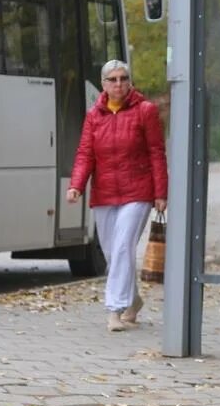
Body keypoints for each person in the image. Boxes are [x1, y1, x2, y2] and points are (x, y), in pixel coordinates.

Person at [67, 60, 168, 332]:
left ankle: (115, 309)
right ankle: (133, 301)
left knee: (123, 247)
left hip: (138, 191)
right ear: (103, 84)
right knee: (113, 254)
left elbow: (156, 153)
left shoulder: (145, 111)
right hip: (105, 192)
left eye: (123, 78)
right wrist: (76, 185)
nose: (118, 84)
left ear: (130, 81)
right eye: (112, 79)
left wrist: (160, 192)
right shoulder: (94, 115)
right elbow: (85, 153)